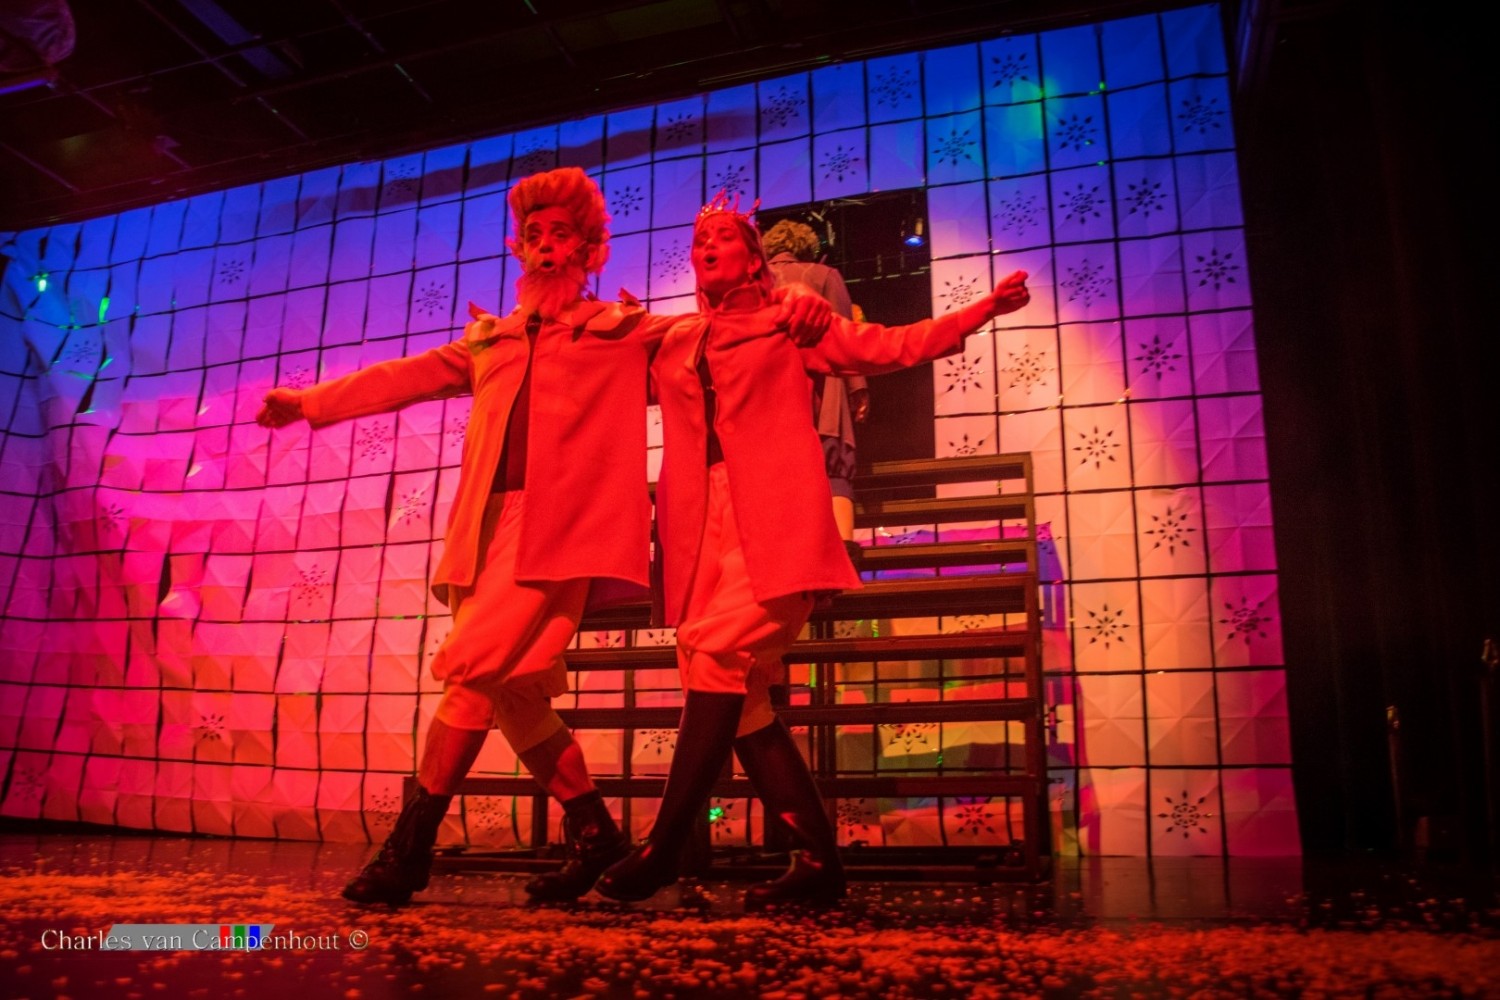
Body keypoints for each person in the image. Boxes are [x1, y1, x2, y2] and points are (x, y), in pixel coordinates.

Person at [255, 168, 830, 906]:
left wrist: (796, 295)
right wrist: (310, 402)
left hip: (557, 531)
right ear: (519, 250)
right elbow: (404, 377)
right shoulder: (490, 340)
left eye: (562, 234)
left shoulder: (622, 331)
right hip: (483, 529)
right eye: (534, 235)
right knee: (515, 692)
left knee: (471, 671)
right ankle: (595, 832)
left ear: (589, 251)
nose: (547, 247)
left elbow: (726, 325)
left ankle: (410, 848)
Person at [594, 195, 1030, 907]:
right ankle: (818, 863)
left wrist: (979, 310)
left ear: (753, 259)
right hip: (700, 527)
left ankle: (663, 847)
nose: (706, 246)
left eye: (723, 237)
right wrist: (607, 326)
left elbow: (890, 346)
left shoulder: (789, 320)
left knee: (716, 657)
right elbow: (606, 375)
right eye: (699, 240)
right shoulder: (677, 338)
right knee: (740, 696)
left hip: (774, 519)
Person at [761, 219, 869, 565]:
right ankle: (842, 550)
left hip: (768, 393)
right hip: (824, 388)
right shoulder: (825, 276)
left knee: (775, 472)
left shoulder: (755, 283)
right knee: (834, 466)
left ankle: (784, 554)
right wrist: (858, 388)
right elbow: (845, 336)